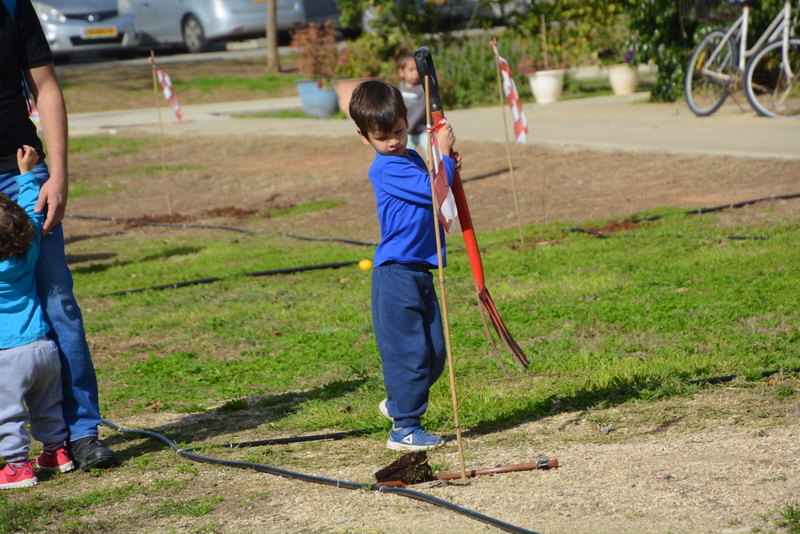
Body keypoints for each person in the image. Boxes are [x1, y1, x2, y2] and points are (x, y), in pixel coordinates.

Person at [0, 0, 116, 470]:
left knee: (56, 300)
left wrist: (59, 175)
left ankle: (81, 432)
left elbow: (45, 87)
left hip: (22, 171)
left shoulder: (12, 5)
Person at [349, 80, 460, 451]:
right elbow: (434, 191)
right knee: (410, 356)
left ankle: (399, 403)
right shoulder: (385, 169)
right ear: (365, 137)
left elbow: (436, 186)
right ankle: (405, 428)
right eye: (383, 137)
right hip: (396, 273)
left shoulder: (408, 157)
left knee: (434, 354)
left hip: (419, 271)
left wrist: (446, 164)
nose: (394, 141)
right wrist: (443, 158)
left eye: (398, 131)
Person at [0, 146, 76, 489]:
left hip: (7, 355)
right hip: (43, 347)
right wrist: (26, 173)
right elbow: (33, 210)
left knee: (10, 412)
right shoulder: (29, 245)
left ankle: (17, 466)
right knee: (47, 405)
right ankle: (56, 452)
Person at [395, 48, 427, 155]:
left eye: (417, 69)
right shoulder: (401, 86)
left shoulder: (422, 88)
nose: (416, 73)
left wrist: (408, 125)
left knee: (432, 156)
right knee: (402, 154)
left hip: (424, 131)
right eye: (411, 69)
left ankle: (436, 171)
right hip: (407, 132)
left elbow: (421, 109)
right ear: (401, 72)